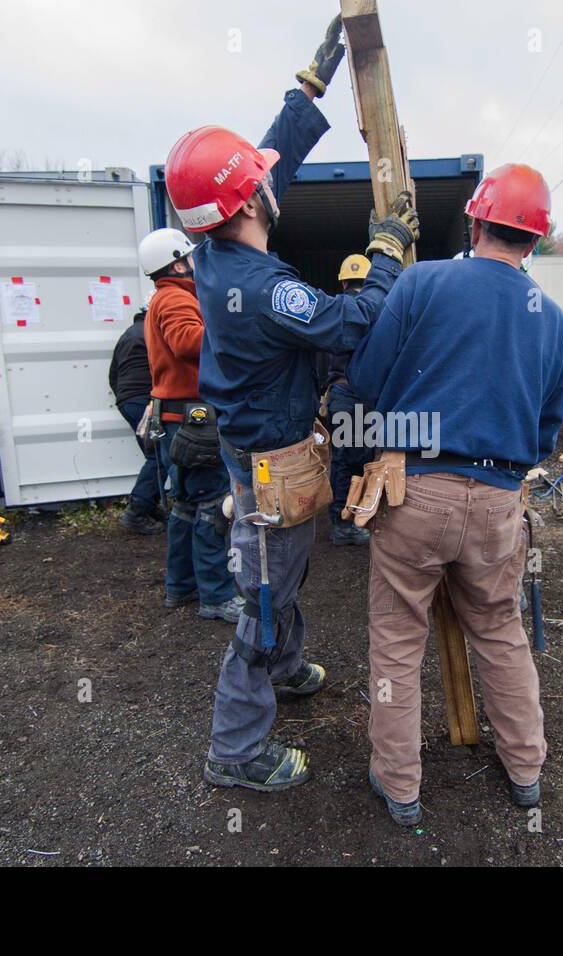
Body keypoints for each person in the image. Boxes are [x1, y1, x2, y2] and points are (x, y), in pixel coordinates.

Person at [163, 14, 420, 792]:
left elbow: (263, 163)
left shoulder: (211, 250)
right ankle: (236, 750)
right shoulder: (267, 290)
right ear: (250, 203)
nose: (273, 184)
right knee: (264, 595)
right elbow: (351, 318)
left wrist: (309, 86)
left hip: (257, 451)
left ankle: (287, 665)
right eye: (260, 185)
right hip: (270, 463)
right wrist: (387, 252)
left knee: (283, 570)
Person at [347, 162, 563, 826]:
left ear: (474, 220)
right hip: (500, 499)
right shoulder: (554, 322)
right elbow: (544, 431)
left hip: (414, 489)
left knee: (396, 637)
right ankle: (526, 769)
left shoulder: (423, 281)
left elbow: (365, 376)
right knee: (501, 632)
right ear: (534, 242)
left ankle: (401, 787)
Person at [139, 226, 244, 623]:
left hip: (176, 419)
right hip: (193, 421)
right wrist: (230, 332)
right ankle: (216, 597)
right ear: (178, 262)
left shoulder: (163, 299)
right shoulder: (174, 299)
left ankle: (180, 587)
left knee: (185, 507)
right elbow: (187, 341)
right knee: (211, 508)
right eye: (191, 258)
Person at [324, 253, 375, 546]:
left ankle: (347, 518)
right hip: (361, 396)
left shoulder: (331, 310)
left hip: (341, 394)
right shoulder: (373, 313)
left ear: (343, 282)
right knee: (358, 460)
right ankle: (345, 524)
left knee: (345, 460)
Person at [108, 303, 164, 535]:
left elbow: (113, 373)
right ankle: (137, 510)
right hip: (144, 400)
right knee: (159, 456)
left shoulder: (127, 334)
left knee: (156, 455)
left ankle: (149, 505)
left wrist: (124, 398)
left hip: (127, 400)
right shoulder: (152, 331)